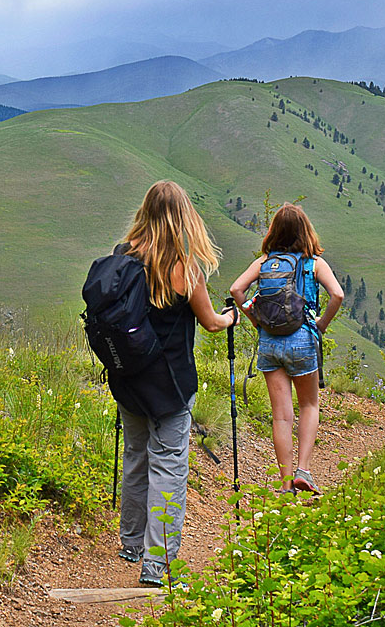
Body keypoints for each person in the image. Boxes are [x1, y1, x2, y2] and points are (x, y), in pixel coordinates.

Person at [109, 180, 237, 587]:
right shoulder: (186, 268)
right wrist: (231, 318)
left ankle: (131, 543)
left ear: (144, 212)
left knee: (136, 457)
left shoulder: (123, 258)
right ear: (184, 216)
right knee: (168, 466)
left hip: (128, 379)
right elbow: (211, 322)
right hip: (171, 386)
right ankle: (158, 565)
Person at [230, 203, 344, 495]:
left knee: (281, 415)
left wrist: (256, 321)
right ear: (305, 231)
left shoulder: (265, 262)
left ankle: (284, 483)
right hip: (303, 340)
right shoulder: (314, 263)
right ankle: (303, 471)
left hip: (270, 343)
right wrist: (321, 325)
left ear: (274, 231)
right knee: (309, 405)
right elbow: (337, 295)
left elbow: (236, 291)